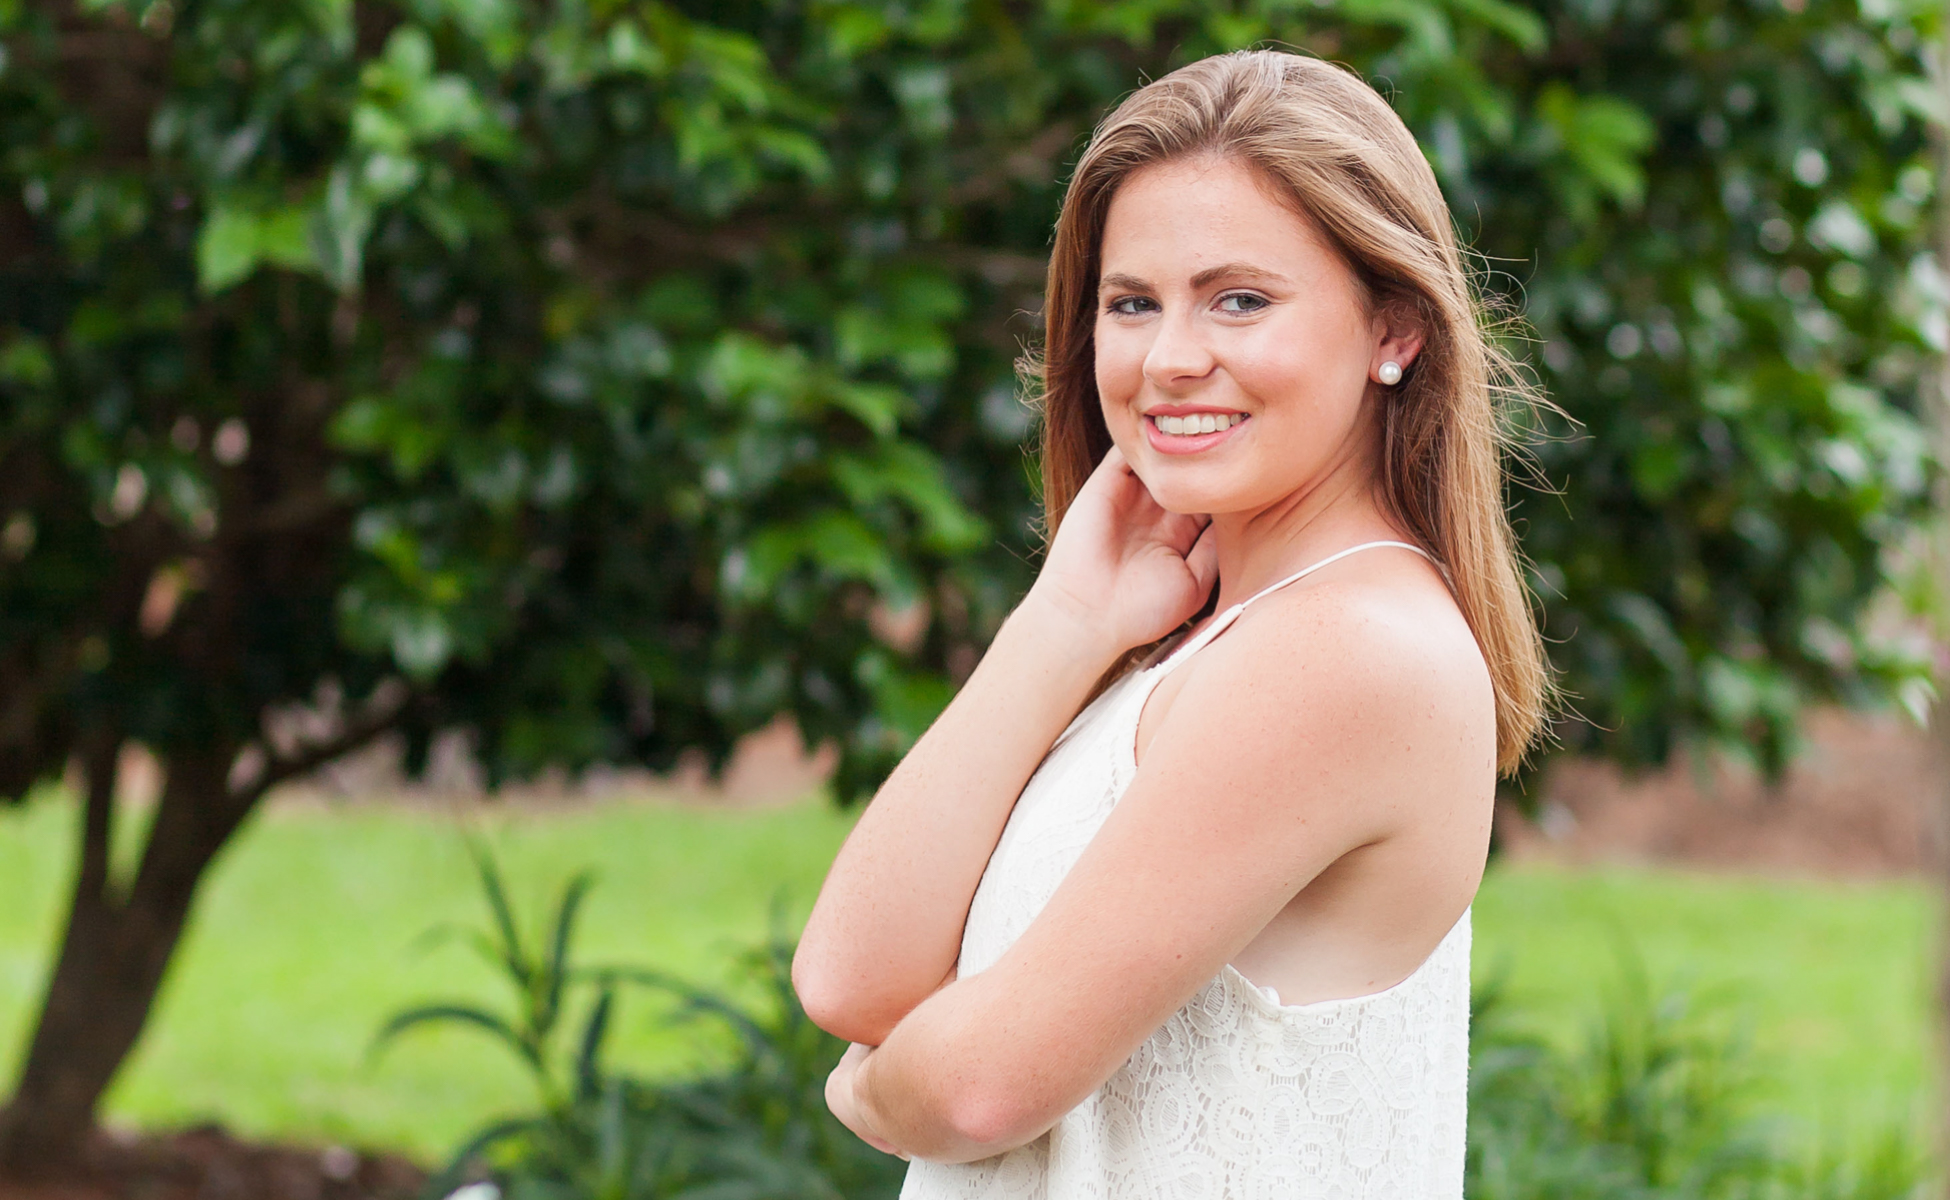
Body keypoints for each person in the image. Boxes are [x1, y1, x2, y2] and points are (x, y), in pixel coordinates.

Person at [791, 48, 1552, 1198]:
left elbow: (977, 1089)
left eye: (1239, 299)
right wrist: (1066, 619)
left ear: (1394, 330)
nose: (1170, 360)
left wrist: (868, 1091)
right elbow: (850, 975)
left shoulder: (1347, 653)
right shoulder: (1217, 637)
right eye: (1131, 303)